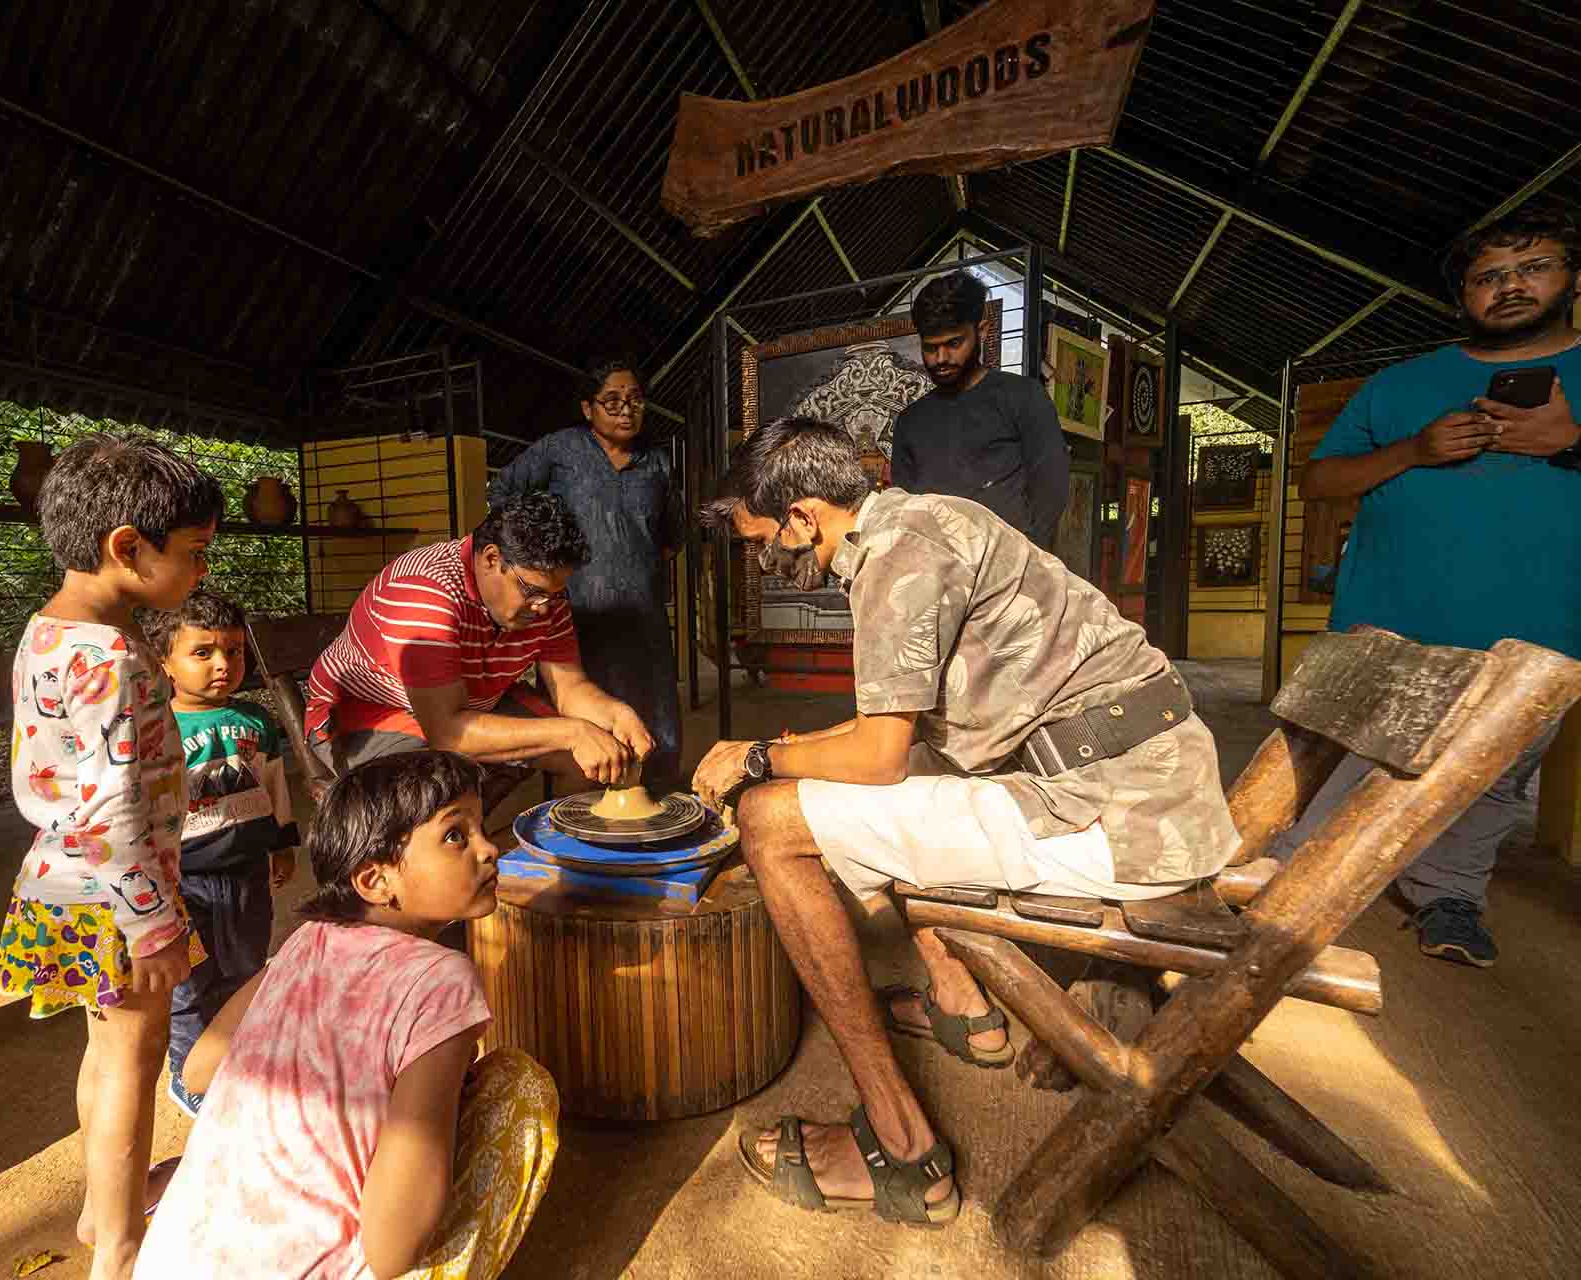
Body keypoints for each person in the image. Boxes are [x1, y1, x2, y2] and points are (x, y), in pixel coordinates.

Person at [690, 418, 1237, 1227]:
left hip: (1121, 817)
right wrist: (781, 743)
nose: (760, 558)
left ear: (804, 517)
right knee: (888, 773)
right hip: (1144, 784)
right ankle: (965, 1009)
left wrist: (763, 763)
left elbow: (878, 755)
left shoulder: (895, 564)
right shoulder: (927, 519)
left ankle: (900, 1146)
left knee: (776, 820)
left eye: (759, 539)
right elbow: (899, 730)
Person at [133, 749, 558, 1280]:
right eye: (456, 835)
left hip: (170, 1266)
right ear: (376, 881)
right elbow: (391, 1249)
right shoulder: (440, 981)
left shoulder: (304, 944)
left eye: (479, 828)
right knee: (519, 1086)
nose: (488, 848)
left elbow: (199, 1070)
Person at [1291, 201, 1581, 969]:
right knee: (1328, 766)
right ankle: (1276, 876)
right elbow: (1318, 480)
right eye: (1489, 276)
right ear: (1464, 297)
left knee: (1491, 780)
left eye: (1533, 267)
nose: (1511, 287)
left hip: (1540, 632)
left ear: (1569, 275)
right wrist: (1412, 451)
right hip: (1386, 623)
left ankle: (1449, 892)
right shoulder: (1401, 386)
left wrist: (1571, 440)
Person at [0, 432, 223, 1280]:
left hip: (56, 882)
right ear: (127, 548)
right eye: (194, 555)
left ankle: (100, 1213)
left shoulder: (47, 633)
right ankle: (123, 1256)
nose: (201, 572)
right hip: (117, 901)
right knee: (134, 1061)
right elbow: (112, 809)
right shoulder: (116, 660)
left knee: (103, 1051)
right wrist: (153, 922)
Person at [305, 492, 654, 799]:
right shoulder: (425, 592)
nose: (545, 607)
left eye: (555, 593)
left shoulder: (545, 597)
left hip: (468, 704)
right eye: (532, 592)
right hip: (366, 714)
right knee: (440, 790)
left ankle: (561, 856)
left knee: (592, 760)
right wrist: (573, 731)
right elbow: (447, 733)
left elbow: (570, 687)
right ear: (491, 559)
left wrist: (614, 714)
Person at [487, 355, 685, 793]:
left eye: (634, 400)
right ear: (587, 408)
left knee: (653, 707)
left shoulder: (656, 463)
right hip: (574, 616)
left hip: (641, 614)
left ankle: (659, 798)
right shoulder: (560, 451)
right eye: (611, 401)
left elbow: (672, 536)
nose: (625, 410)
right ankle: (587, 801)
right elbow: (502, 492)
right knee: (579, 706)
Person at [138, 589, 298, 1117]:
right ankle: (189, 1076)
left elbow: (275, 787)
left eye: (233, 651)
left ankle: (240, 1063)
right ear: (165, 662)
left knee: (246, 969)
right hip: (183, 880)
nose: (223, 664)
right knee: (189, 983)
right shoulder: (153, 729)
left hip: (248, 873)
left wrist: (282, 842)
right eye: (202, 652)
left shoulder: (258, 723)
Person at [890, 270, 1069, 548]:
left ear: (982, 331)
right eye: (930, 348)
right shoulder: (910, 423)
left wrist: (1024, 563)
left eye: (954, 343)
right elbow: (904, 512)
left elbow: (1051, 490)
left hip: (1012, 573)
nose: (941, 359)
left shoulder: (1024, 398)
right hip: (934, 578)